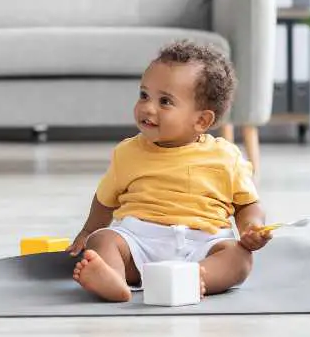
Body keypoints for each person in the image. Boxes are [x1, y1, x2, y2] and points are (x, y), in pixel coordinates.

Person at [67, 40, 271, 302]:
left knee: (239, 258)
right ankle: (113, 279)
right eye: (144, 95)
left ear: (201, 120)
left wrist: (251, 228)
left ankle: (198, 277)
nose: (148, 108)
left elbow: (249, 204)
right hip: (140, 239)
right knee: (103, 241)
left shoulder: (225, 156)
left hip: (203, 243)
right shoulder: (127, 153)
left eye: (165, 101)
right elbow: (104, 200)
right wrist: (88, 232)